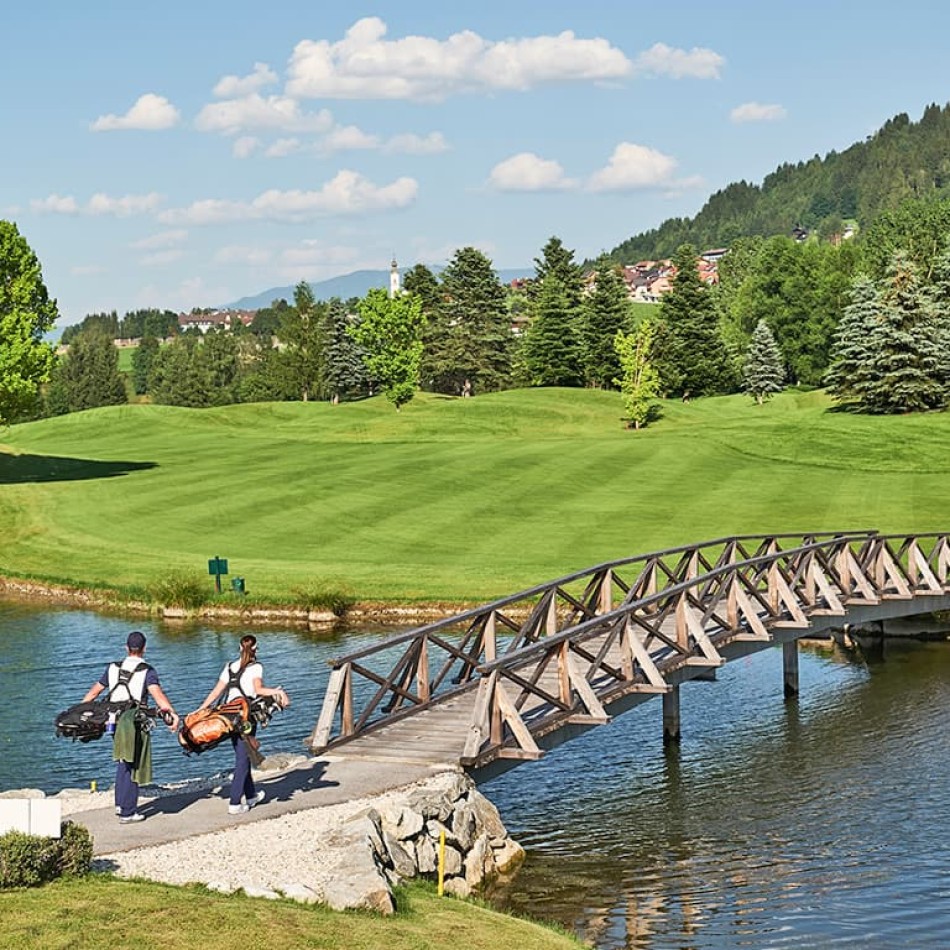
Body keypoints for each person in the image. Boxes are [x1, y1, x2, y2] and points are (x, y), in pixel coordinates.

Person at [82, 630, 179, 823]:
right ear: (144, 649)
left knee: (122, 760)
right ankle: (128, 812)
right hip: (132, 721)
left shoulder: (112, 667)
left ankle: (121, 804)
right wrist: (172, 714)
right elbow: (158, 696)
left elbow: (93, 693)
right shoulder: (147, 670)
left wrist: (82, 714)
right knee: (132, 763)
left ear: (126, 648)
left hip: (112, 720)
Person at [198, 635, 290, 815]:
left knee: (244, 753)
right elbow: (258, 691)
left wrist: (200, 709)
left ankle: (251, 796)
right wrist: (278, 692)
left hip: (228, 718)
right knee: (243, 758)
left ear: (240, 648)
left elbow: (216, 693)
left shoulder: (229, 667)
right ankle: (234, 802)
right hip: (246, 718)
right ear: (256, 649)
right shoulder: (256, 667)